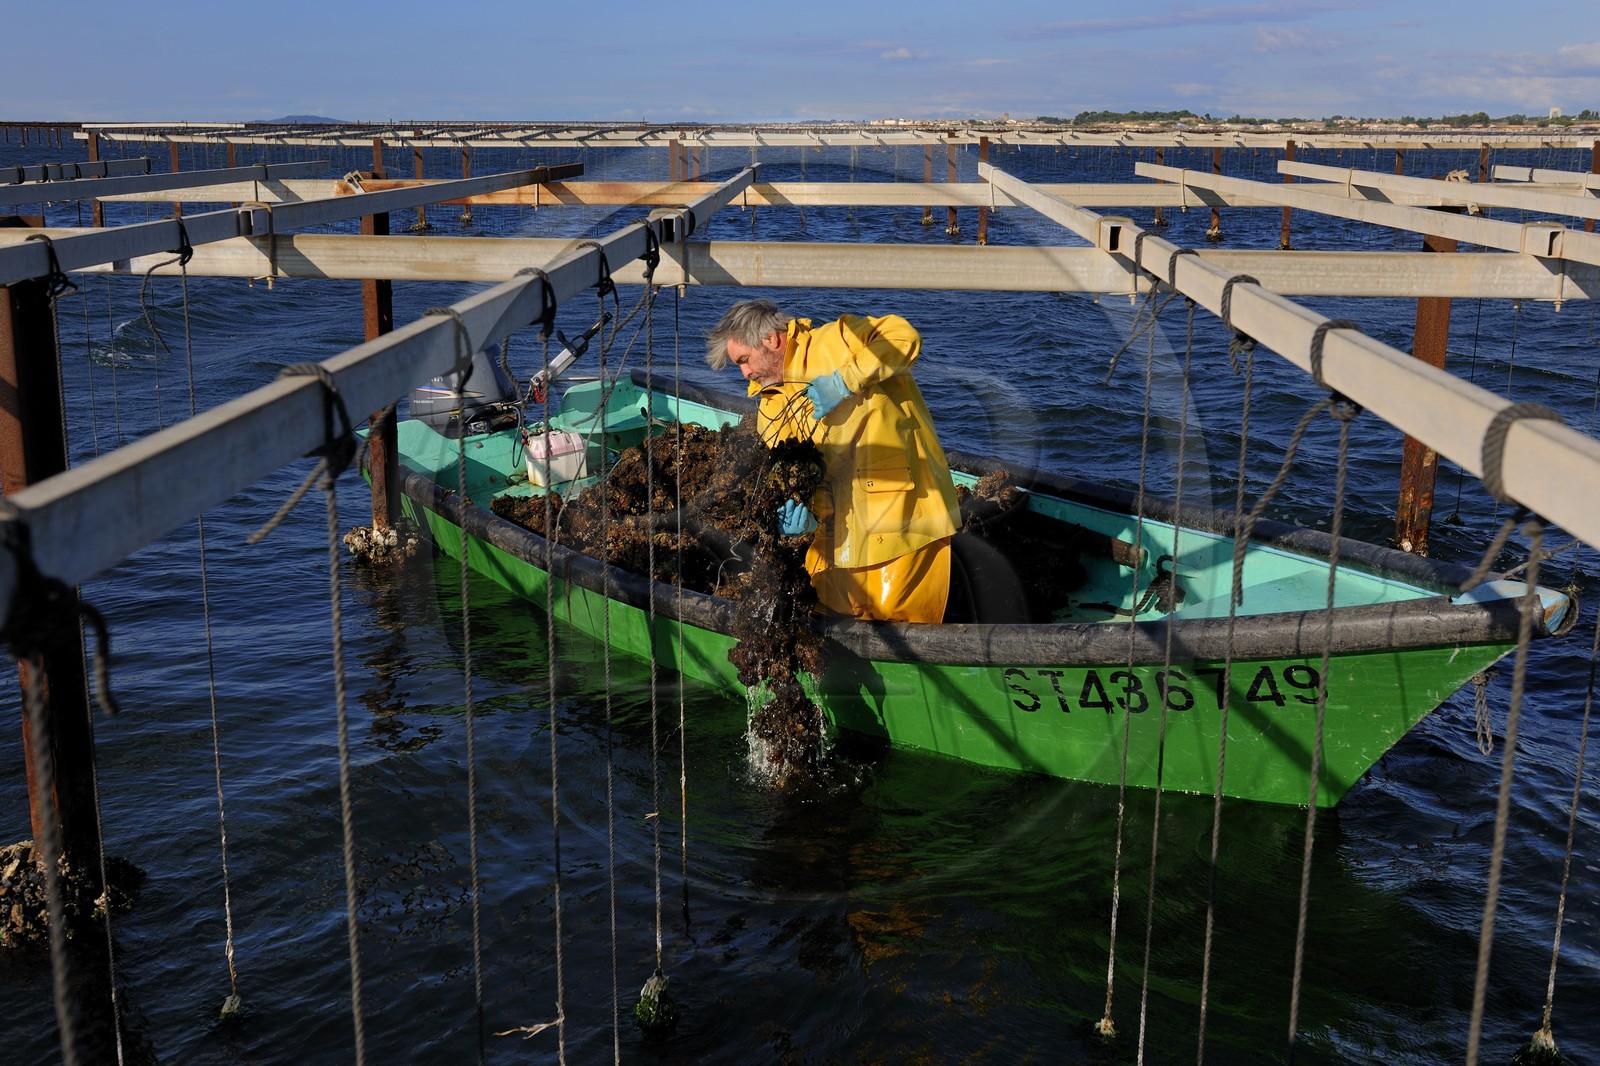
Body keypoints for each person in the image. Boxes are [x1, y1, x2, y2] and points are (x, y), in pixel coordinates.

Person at [706, 298, 961, 624]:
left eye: (744, 360)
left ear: (771, 339)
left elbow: (904, 336)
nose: (744, 373)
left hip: (903, 516)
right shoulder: (769, 407)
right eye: (738, 366)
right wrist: (804, 514)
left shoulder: (835, 340)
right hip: (838, 532)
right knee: (819, 615)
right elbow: (795, 477)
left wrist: (845, 380)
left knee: (901, 623)